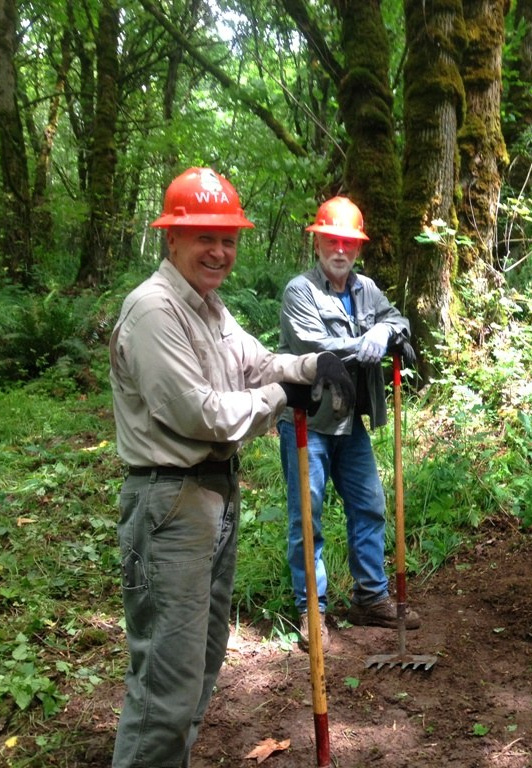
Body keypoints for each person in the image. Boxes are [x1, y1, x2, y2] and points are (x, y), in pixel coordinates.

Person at [108, 167, 355, 767]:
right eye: (205, 238)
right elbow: (201, 415)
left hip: (211, 497)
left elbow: (259, 362)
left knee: (200, 664)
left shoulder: (209, 308)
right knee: (167, 683)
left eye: (229, 239)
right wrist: (282, 397)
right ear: (171, 238)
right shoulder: (154, 311)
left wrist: (313, 365)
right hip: (170, 504)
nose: (220, 251)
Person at [278, 195, 420, 653]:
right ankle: (311, 609)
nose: (340, 250)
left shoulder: (366, 289)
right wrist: (366, 341)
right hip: (307, 419)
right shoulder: (300, 291)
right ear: (318, 242)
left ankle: (370, 598)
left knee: (370, 504)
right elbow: (313, 345)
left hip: (349, 422)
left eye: (348, 243)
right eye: (332, 241)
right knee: (308, 516)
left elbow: (398, 319)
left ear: (358, 247)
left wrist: (387, 330)